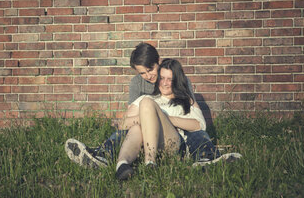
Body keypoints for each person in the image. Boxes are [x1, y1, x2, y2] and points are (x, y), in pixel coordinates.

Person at [65, 43, 239, 169]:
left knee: (196, 133)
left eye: (151, 69)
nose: (149, 76)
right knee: (133, 128)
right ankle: (104, 155)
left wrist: (161, 117)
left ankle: (206, 157)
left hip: (173, 137)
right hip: (145, 133)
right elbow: (125, 122)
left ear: (159, 63)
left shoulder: (181, 86)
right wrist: (149, 117)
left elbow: (197, 123)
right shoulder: (140, 90)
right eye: (142, 72)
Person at [115, 59, 242, 180]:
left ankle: (150, 162)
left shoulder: (186, 100)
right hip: (143, 142)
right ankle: (122, 165)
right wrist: (148, 116)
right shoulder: (144, 99)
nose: (164, 83)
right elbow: (123, 124)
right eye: (162, 78)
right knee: (138, 122)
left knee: (147, 103)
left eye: (170, 79)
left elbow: (200, 125)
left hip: (171, 143)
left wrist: (165, 118)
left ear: (177, 81)